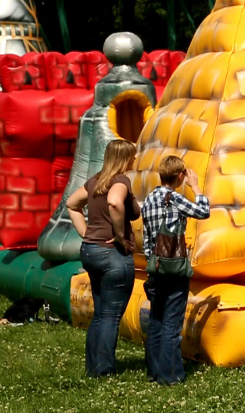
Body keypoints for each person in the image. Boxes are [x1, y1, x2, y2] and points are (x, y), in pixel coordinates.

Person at [66, 139, 140, 377]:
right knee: (110, 316)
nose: (135, 159)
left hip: (91, 250)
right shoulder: (120, 181)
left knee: (100, 314)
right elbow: (114, 202)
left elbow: (72, 204)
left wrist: (86, 233)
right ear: (124, 159)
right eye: (132, 155)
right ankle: (104, 371)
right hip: (112, 255)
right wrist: (119, 236)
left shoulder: (96, 180)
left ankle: (93, 367)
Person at [142, 155, 210, 385]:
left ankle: (154, 371)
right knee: (172, 323)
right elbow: (203, 211)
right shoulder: (175, 198)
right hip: (174, 268)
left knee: (157, 321)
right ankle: (170, 376)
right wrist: (196, 186)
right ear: (180, 176)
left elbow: (146, 238)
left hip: (155, 267)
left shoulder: (149, 199)